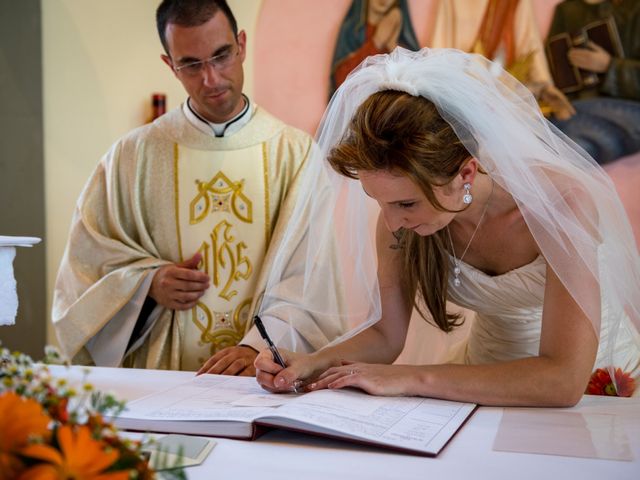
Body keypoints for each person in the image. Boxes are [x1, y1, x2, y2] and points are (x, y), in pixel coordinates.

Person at [255, 48, 640, 406]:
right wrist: (313, 362)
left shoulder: (561, 205)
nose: (392, 223)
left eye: (406, 203)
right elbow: (386, 336)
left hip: (598, 387)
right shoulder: (399, 223)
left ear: (466, 172)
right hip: (480, 380)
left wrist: (407, 379)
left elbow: (563, 380)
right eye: (380, 202)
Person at [52, 0, 346, 373]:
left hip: (259, 375)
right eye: (191, 64)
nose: (211, 79)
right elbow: (85, 267)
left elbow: (313, 277)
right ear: (169, 65)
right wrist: (146, 285)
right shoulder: (132, 157)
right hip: (159, 376)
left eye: (221, 56)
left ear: (241, 45)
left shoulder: (296, 154)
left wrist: (258, 345)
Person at [430, 0, 575, 121]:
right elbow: (441, 40)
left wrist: (544, 85)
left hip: (508, 81)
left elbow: (530, 42)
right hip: (465, 82)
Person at [546, 0, 640, 164]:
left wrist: (609, 66)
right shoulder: (568, 11)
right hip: (573, 110)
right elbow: (552, 66)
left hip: (630, 111)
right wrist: (553, 96)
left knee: (577, 136)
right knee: (572, 135)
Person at [330, 0, 420, 98]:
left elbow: (416, 83)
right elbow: (341, 81)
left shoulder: (403, 40)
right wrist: (377, 41)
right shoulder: (350, 31)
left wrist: (392, 45)